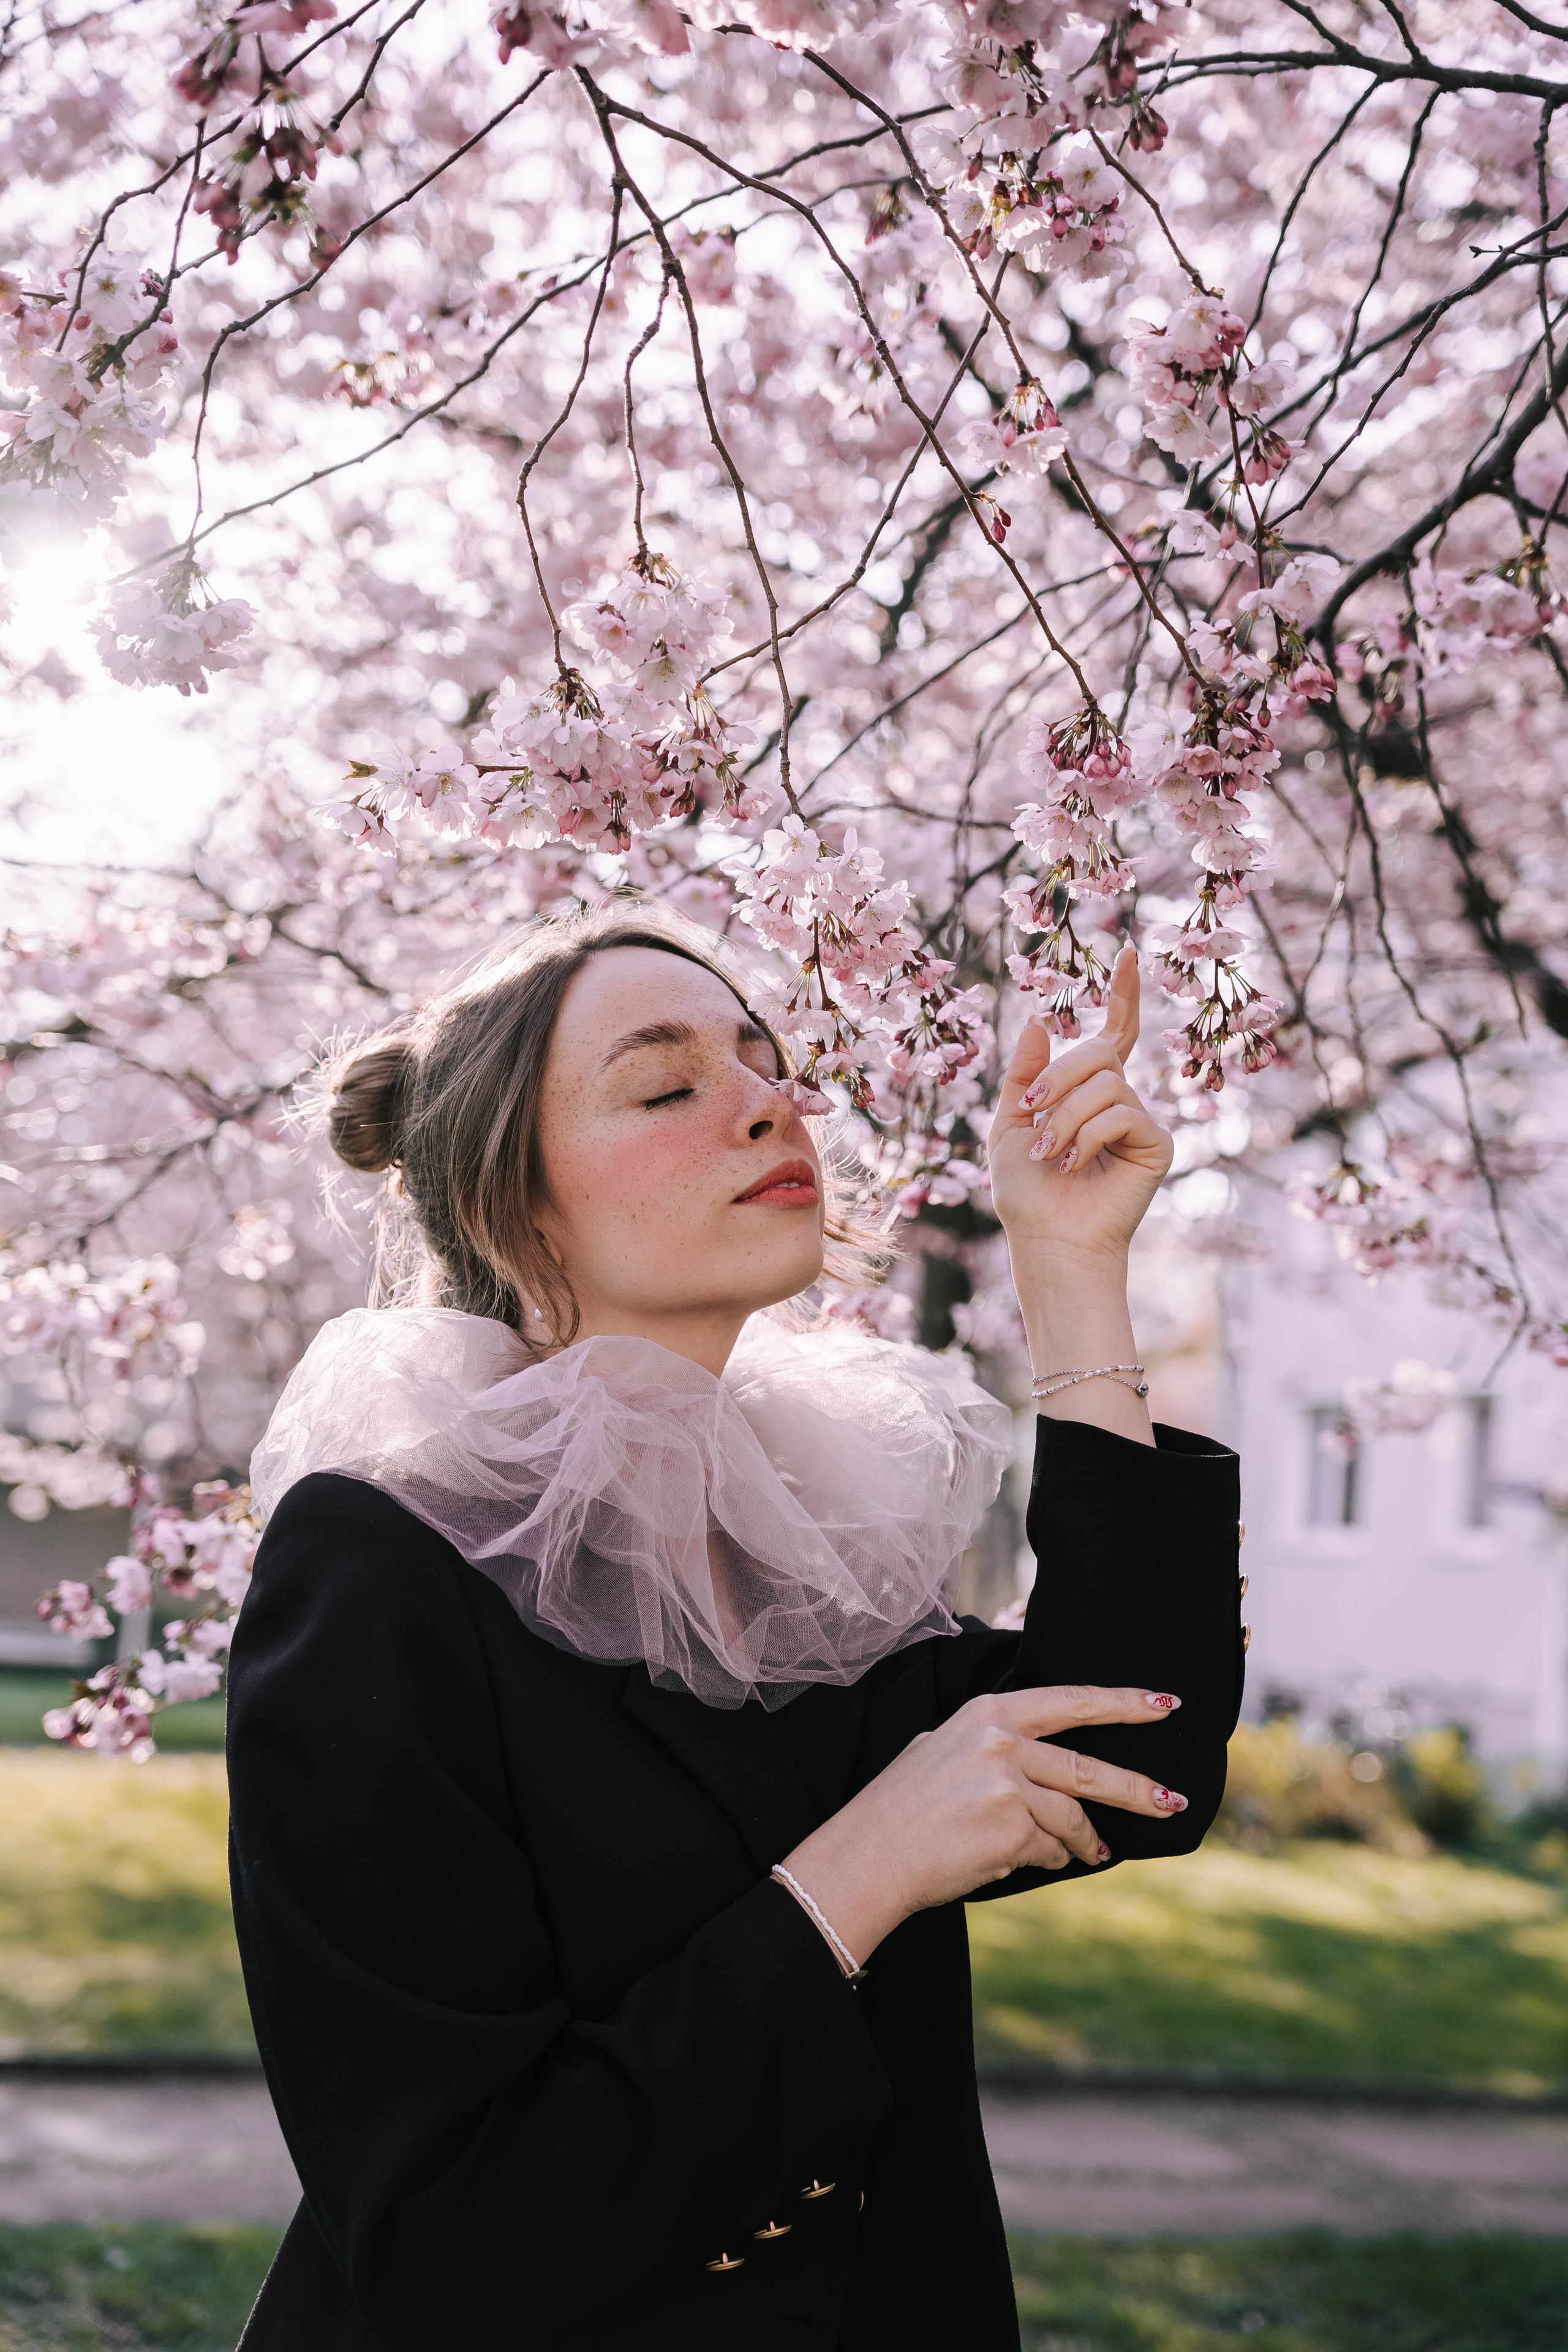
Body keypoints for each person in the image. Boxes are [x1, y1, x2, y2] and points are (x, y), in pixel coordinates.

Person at [227, 907, 1243, 2352]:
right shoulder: (381, 1565)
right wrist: (859, 1872)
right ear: (516, 1210)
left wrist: (1069, 1263)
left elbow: (1132, 1763)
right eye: (665, 1085)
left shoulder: (803, 1541)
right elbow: (457, 2228)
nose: (767, 1099)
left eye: (762, 1059)